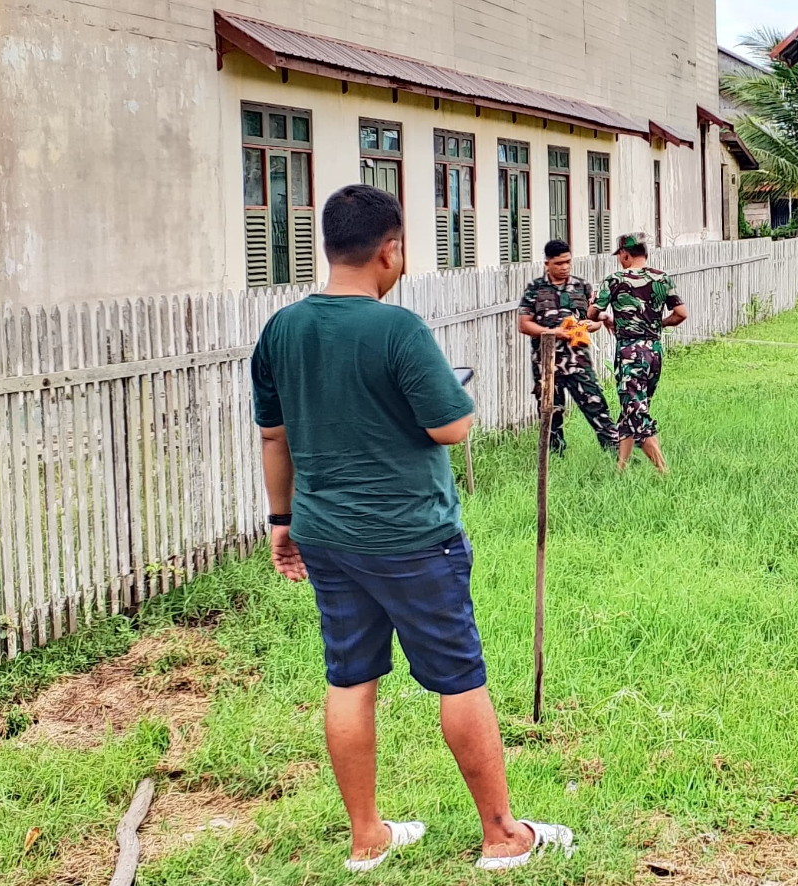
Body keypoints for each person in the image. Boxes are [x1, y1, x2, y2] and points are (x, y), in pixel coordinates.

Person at [250, 185, 574, 873]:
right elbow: (450, 425)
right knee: (459, 679)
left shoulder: (282, 329)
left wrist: (282, 520)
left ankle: (367, 836)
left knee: (349, 678)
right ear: (389, 250)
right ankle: (502, 836)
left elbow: (274, 437)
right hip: (411, 538)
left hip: (326, 536)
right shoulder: (396, 330)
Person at [589, 233, 687, 473]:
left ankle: (664, 472)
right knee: (631, 408)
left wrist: (604, 315)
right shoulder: (662, 279)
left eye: (620, 256)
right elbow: (681, 313)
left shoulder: (614, 280)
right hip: (654, 352)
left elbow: (592, 313)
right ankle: (620, 470)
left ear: (625, 254)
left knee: (636, 412)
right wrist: (658, 325)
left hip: (629, 353)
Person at [516, 239, 618, 455]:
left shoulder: (582, 287)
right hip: (547, 363)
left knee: (596, 405)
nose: (564, 267)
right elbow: (524, 324)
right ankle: (554, 457)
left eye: (568, 262)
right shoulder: (535, 290)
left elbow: (595, 318)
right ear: (547, 264)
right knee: (551, 413)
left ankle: (617, 454)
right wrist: (553, 332)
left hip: (578, 361)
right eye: (559, 263)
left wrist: (593, 324)